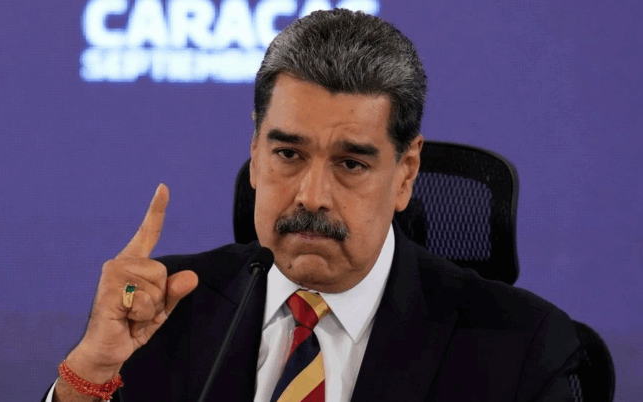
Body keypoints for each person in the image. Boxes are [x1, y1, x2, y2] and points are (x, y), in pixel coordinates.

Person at [44, 9, 581, 402]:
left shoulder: (520, 349)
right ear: (256, 155)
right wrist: (89, 372)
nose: (312, 195)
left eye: (351, 163)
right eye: (288, 154)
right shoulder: (162, 314)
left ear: (405, 173)